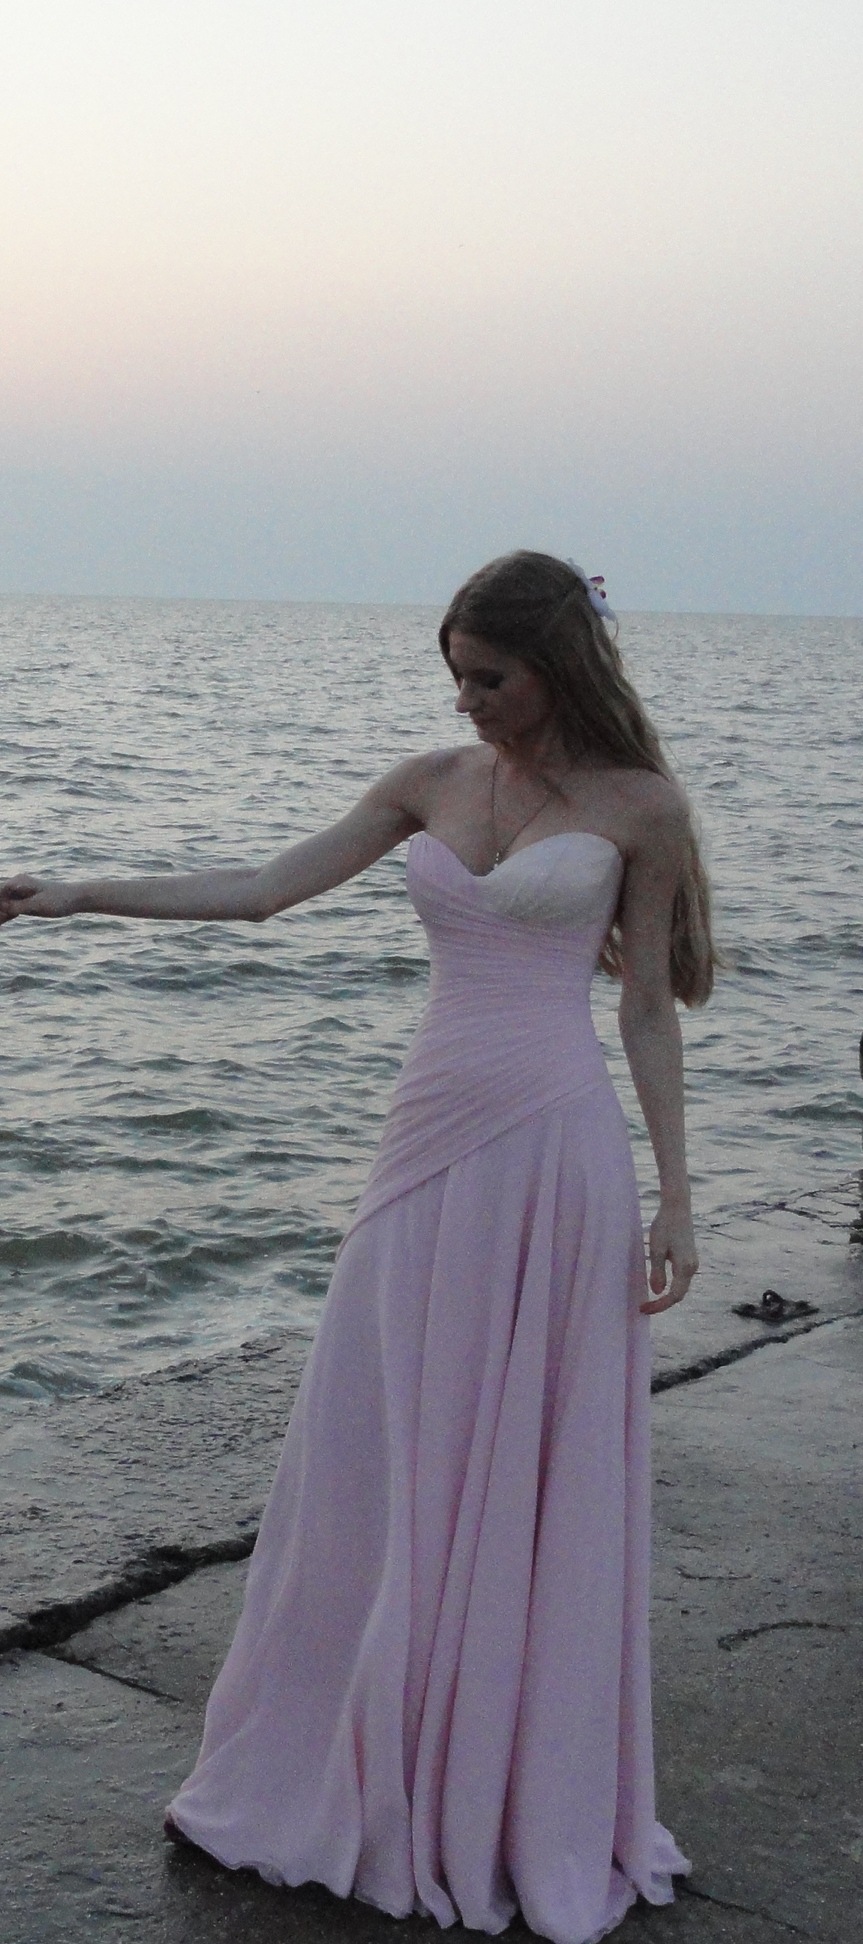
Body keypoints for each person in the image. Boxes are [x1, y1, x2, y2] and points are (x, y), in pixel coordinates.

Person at [0, 551, 716, 1944]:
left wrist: (676, 1201)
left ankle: (500, 1781)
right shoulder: (429, 781)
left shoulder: (643, 805)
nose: (467, 700)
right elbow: (266, 888)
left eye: (489, 678)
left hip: (554, 1150)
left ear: (557, 666)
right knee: (381, 1435)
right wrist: (75, 893)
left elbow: (646, 1008)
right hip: (425, 1140)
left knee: (523, 1453)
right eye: (455, 675)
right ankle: (357, 1745)